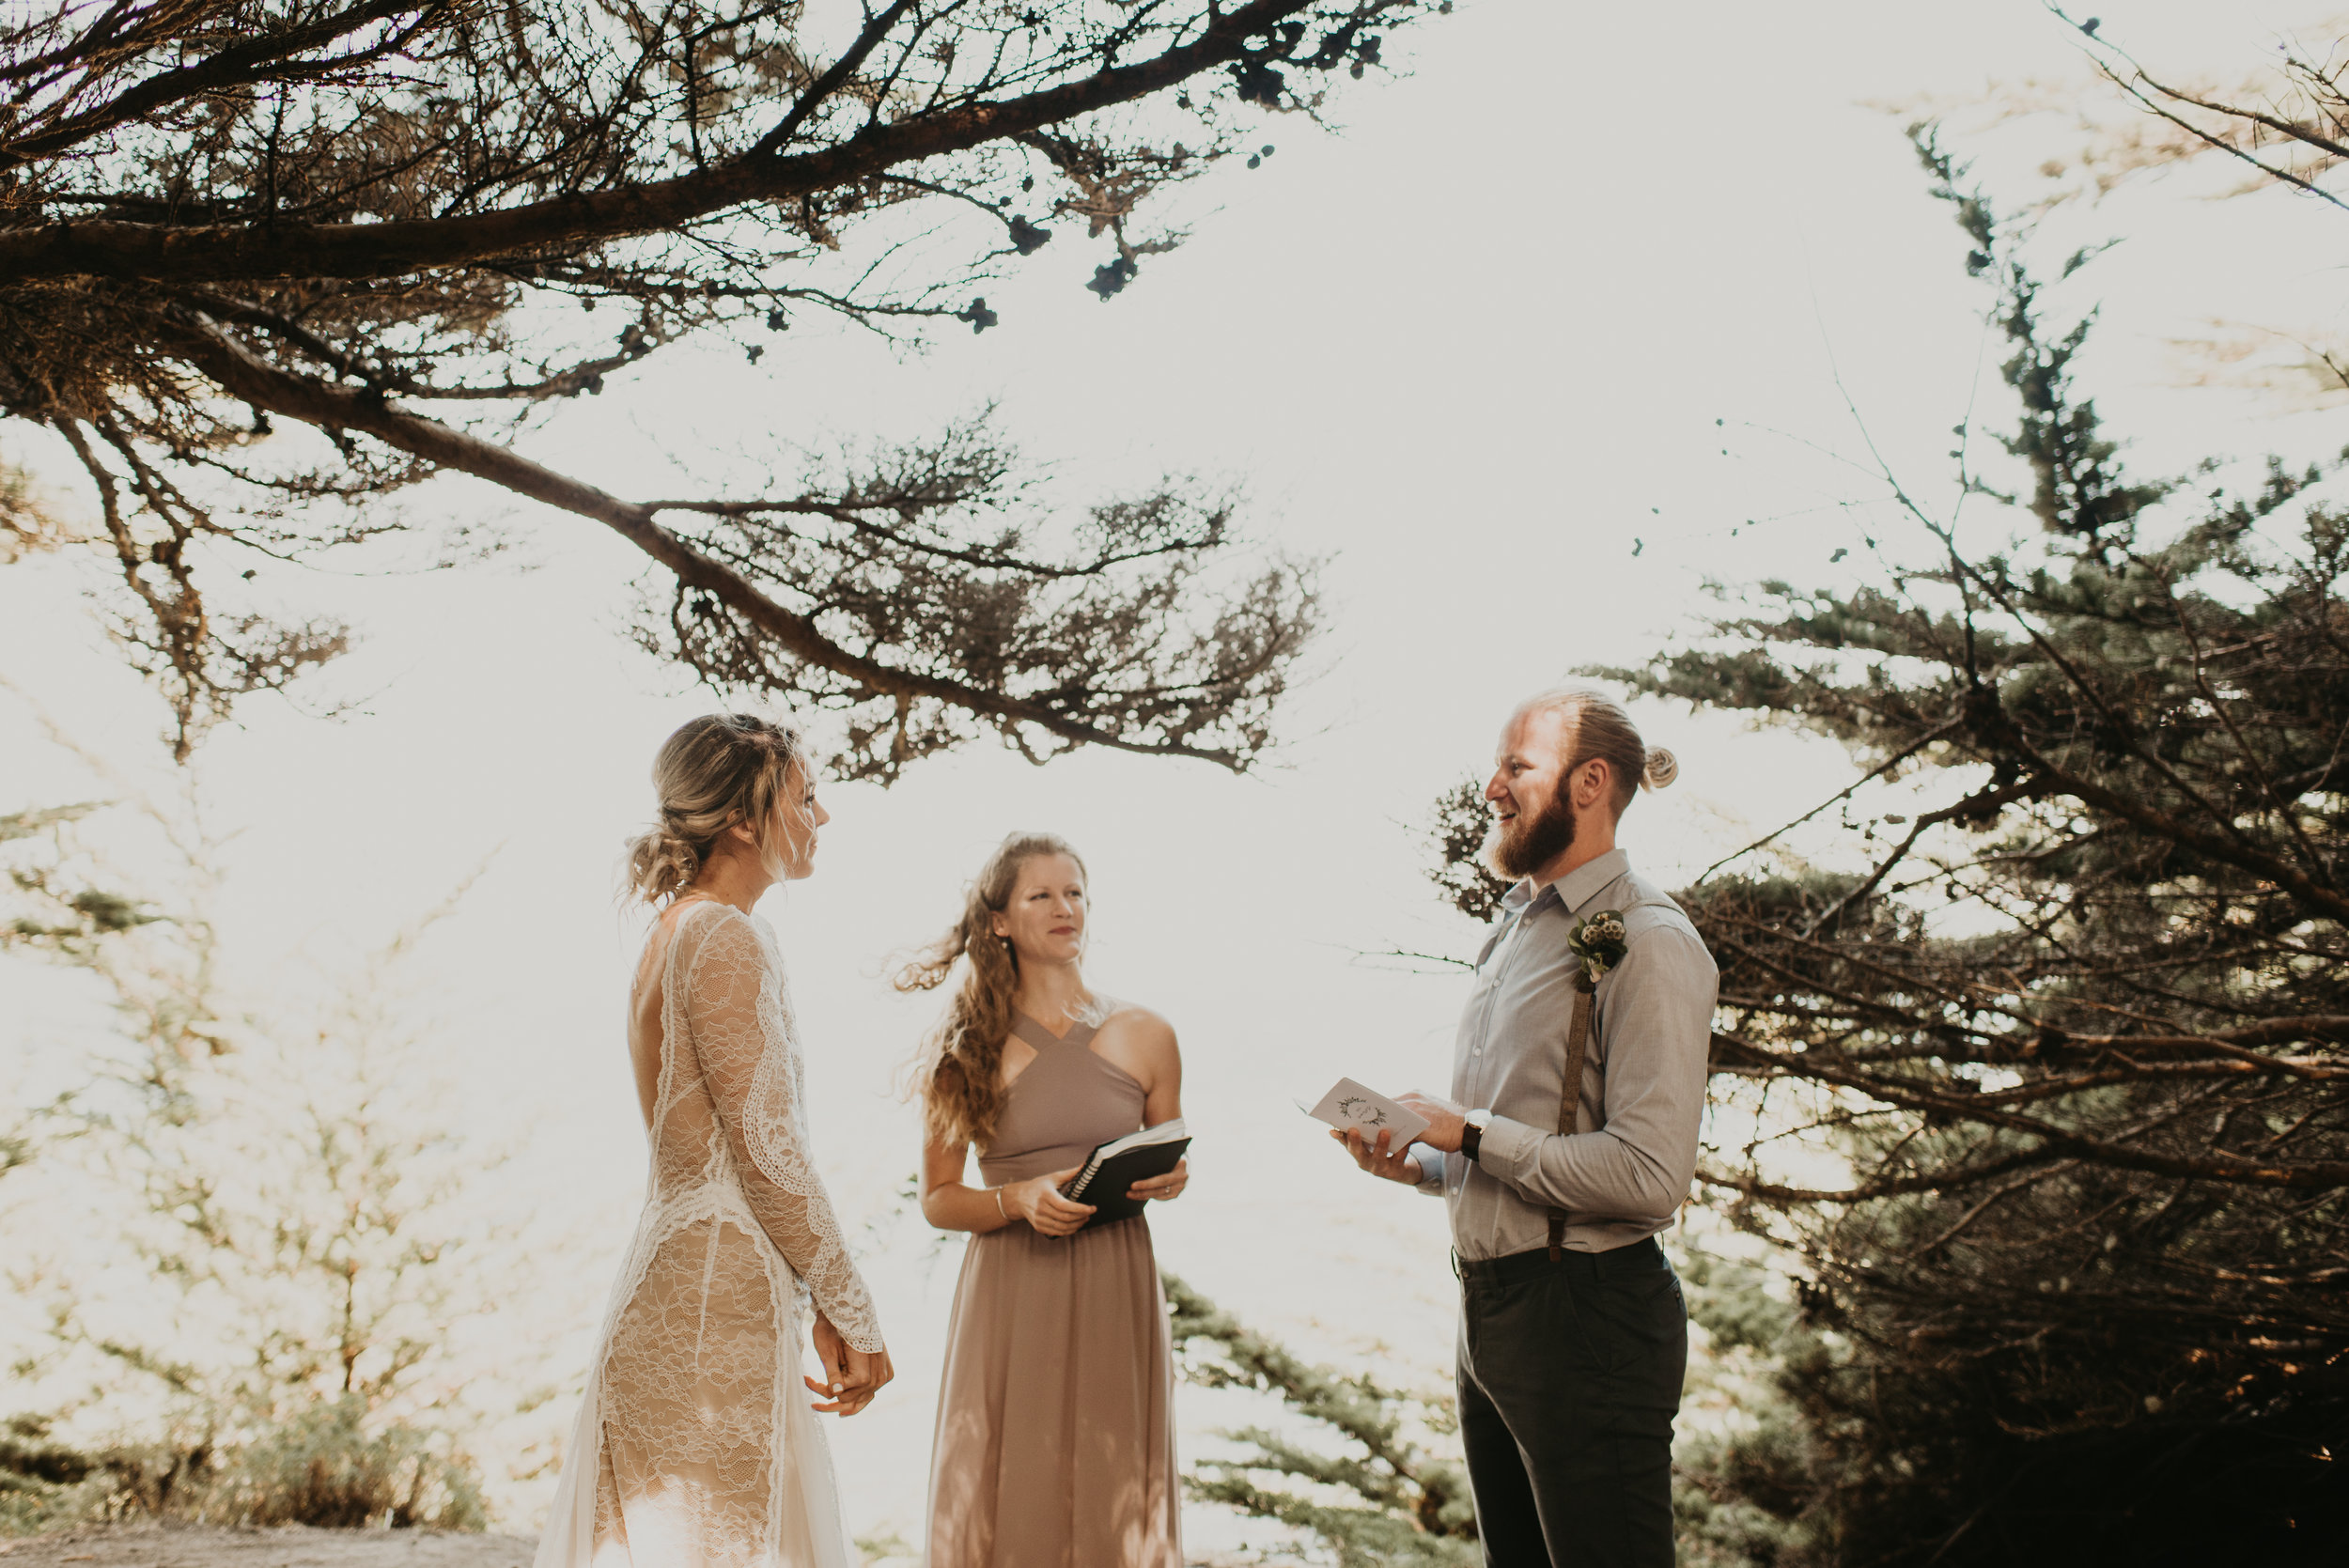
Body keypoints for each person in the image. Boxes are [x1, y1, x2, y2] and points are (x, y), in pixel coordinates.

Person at [1334, 687, 1718, 1568]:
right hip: (1491, 1309)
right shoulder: (1515, 931)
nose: (1489, 788)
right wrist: (1426, 1166)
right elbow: (1526, 1137)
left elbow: (1650, 1177)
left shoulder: (1652, 939)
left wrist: (1466, 1132)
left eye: (1516, 766)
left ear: (1589, 782)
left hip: (1588, 1315)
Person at [535, 713, 894, 1568]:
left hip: (692, 1283)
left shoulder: (675, 932)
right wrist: (855, 1310)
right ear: (743, 818)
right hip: (708, 1305)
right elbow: (767, 1153)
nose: (824, 817)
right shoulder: (724, 934)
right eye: (808, 797)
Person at [899, 832, 1190, 1568]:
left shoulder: (1149, 1032)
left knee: (1117, 1480)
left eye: (1076, 892)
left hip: (1116, 1279)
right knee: (1011, 1479)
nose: (1066, 908)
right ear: (999, 920)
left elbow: (1168, 1153)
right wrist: (1016, 1198)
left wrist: (1171, 1177)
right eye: (1042, 895)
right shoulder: (963, 1050)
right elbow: (937, 1197)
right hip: (1012, 1288)